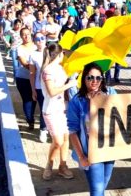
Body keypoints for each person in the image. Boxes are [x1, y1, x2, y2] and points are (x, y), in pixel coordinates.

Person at [67, 62, 117, 196]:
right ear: (84, 79)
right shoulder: (77, 101)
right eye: (90, 78)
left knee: (103, 186)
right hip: (90, 152)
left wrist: (105, 100)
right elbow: (72, 131)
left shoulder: (111, 93)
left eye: (98, 78)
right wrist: (81, 156)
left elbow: (122, 116)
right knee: (97, 191)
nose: (94, 81)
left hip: (109, 150)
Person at [41, 43, 77, 181]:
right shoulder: (47, 71)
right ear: (60, 54)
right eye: (63, 53)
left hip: (63, 108)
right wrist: (69, 84)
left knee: (66, 138)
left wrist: (72, 79)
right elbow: (51, 92)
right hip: (50, 110)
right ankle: (49, 165)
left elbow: (63, 89)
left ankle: (63, 166)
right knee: (58, 141)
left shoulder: (60, 69)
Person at [16, 28, 38, 130]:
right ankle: (30, 120)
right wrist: (39, 66)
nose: (26, 36)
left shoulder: (37, 45)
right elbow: (25, 64)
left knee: (34, 100)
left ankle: (33, 118)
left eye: (28, 34)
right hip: (23, 78)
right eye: (24, 35)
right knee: (27, 100)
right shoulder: (19, 48)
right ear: (21, 36)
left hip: (37, 78)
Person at [29, 32, 48, 143]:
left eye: (42, 38)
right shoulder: (33, 55)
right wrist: (33, 90)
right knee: (43, 109)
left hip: (53, 85)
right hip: (40, 86)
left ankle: (51, 129)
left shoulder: (52, 51)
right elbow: (32, 73)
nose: (40, 40)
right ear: (34, 41)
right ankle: (43, 129)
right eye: (37, 39)